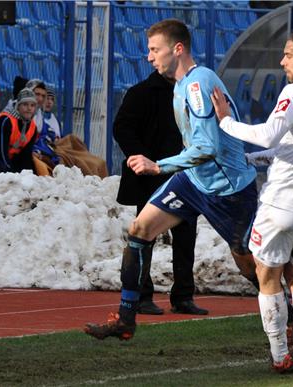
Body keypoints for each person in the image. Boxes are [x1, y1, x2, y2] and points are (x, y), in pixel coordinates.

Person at [84, 19, 259, 341]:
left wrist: (158, 166)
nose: (149, 57)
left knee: (248, 261)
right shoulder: (180, 85)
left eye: (154, 49)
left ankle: (289, 315)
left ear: (177, 49)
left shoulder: (196, 85)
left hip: (228, 188)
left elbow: (207, 148)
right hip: (193, 180)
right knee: (139, 230)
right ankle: (125, 319)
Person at [211, 27, 293, 377]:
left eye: (288, 54)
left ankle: (280, 356)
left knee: (267, 275)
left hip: (283, 203)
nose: (282, 60)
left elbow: (269, 132)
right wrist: (259, 159)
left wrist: (227, 123)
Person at [113, 69, 207, 315]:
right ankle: (142, 296)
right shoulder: (141, 92)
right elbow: (122, 127)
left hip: (184, 175)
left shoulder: (190, 92)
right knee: (145, 238)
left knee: (186, 237)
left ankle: (184, 296)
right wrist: (139, 157)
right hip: (150, 177)